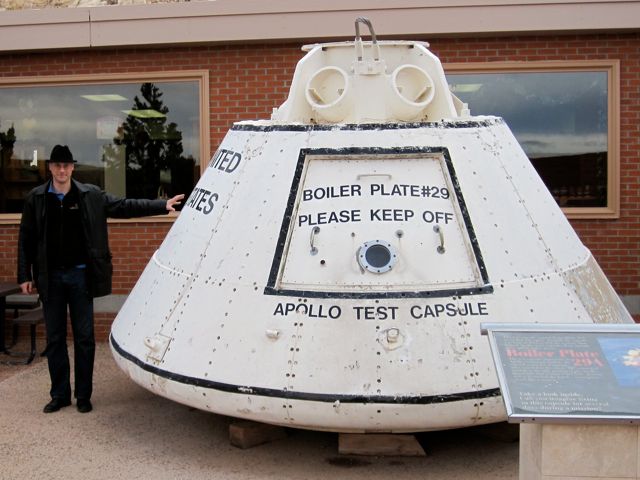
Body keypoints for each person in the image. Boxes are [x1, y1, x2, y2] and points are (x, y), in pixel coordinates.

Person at [17, 144, 184, 414]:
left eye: (66, 165)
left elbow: (123, 205)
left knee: (84, 338)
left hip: (80, 276)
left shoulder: (89, 195)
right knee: (55, 338)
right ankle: (59, 394)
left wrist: (161, 205)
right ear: (50, 168)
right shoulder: (35, 199)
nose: (61, 170)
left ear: (72, 168)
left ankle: (83, 395)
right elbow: (25, 239)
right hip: (51, 279)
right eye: (57, 165)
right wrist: (25, 274)